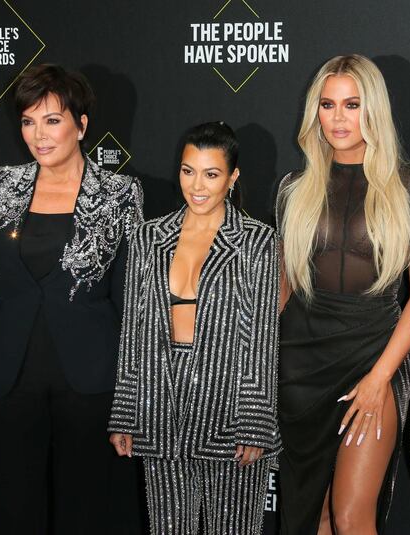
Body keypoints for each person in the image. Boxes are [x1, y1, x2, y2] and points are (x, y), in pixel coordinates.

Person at [0, 64, 143, 533]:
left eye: (52, 120)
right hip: (8, 374)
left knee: (84, 509)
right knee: (13, 508)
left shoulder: (119, 193)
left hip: (91, 378)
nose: (39, 135)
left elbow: (132, 301)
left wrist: (132, 395)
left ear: (82, 124)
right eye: (28, 121)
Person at [275, 54, 410, 534]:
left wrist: (381, 375)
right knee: (315, 514)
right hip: (300, 366)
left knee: (351, 515)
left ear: (375, 110)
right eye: (328, 105)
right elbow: (283, 292)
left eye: (352, 104)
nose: (339, 118)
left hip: (374, 356)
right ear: (315, 113)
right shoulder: (293, 189)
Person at [108, 122, 280, 535]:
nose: (197, 185)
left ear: (233, 176)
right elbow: (134, 327)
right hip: (160, 400)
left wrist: (254, 420)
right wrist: (126, 411)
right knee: (169, 529)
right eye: (188, 171)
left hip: (230, 400)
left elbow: (261, 337)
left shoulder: (257, 241)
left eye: (211, 173)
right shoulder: (148, 237)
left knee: (234, 529)